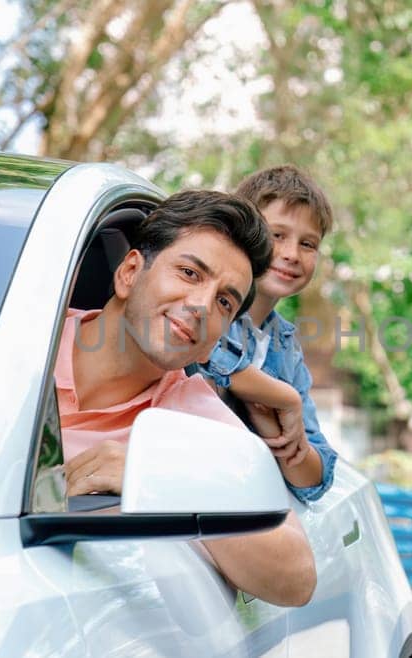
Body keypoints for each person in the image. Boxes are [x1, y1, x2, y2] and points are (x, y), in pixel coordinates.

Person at [56, 189, 316, 607]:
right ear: (129, 272)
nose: (200, 306)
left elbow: (297, 577)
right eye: (190, 273)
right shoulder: (7, 343)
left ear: (213, 345)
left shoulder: (197, 422)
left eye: (224, 302)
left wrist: (157, 478)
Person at [190, 166, 339, 503]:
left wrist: (269, 421)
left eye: (308, 244)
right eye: (277, 235)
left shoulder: (285, 347)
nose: (291, 254)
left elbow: (315, 478)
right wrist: (282, 398)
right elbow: (199, 352)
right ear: (244, 231)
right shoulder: (200, 303)